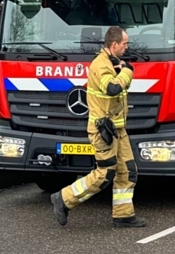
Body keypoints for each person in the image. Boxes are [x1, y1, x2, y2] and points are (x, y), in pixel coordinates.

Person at [50, 25, 146, 229]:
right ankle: (64, 198)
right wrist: (128, 72)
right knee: (105, 173)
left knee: (128, 171)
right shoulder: (101, 65)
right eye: (124, 44)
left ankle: (123, 215)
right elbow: (112, 88)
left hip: (118, 130)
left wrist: (121, 69)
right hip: (103, 131)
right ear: (114, 45)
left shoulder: (112, 62)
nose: (127, 47)